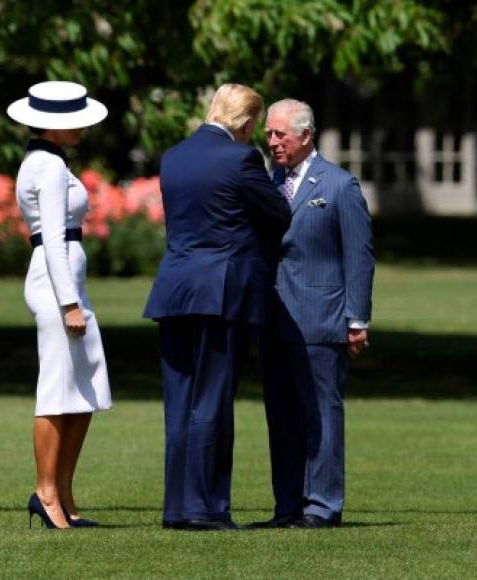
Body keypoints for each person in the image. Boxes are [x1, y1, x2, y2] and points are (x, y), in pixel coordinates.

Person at [143, 84, 291, 531]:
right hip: (222, 291)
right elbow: (278, 213)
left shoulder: (173, 157)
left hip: (174, 288)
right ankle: (205, 508)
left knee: (180, 402)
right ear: (246, 122)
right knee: (211, 400)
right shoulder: (241, 159)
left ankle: (177, 506)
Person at [249, 99, 375, 529]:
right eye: (268, 134)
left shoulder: (340, 186)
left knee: (321, 413)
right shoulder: (268, 182)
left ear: (305, 135)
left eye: (279, 134)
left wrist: (357, 320)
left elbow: (359, 257)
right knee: (280, 416)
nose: (271, 141)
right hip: (273, 318)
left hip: (320, 320)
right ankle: (286, 506)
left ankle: (322, 506)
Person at [7, 81, 113, 529]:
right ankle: (46, 492)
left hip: (63, 279)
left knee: (84, 386)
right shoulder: (47, 166)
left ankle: (63, 492)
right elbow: (52, 237)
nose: (82, 129)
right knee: (57, 386)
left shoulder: (45, 161)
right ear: (53, 127)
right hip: (57, 283)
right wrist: (68, 301)